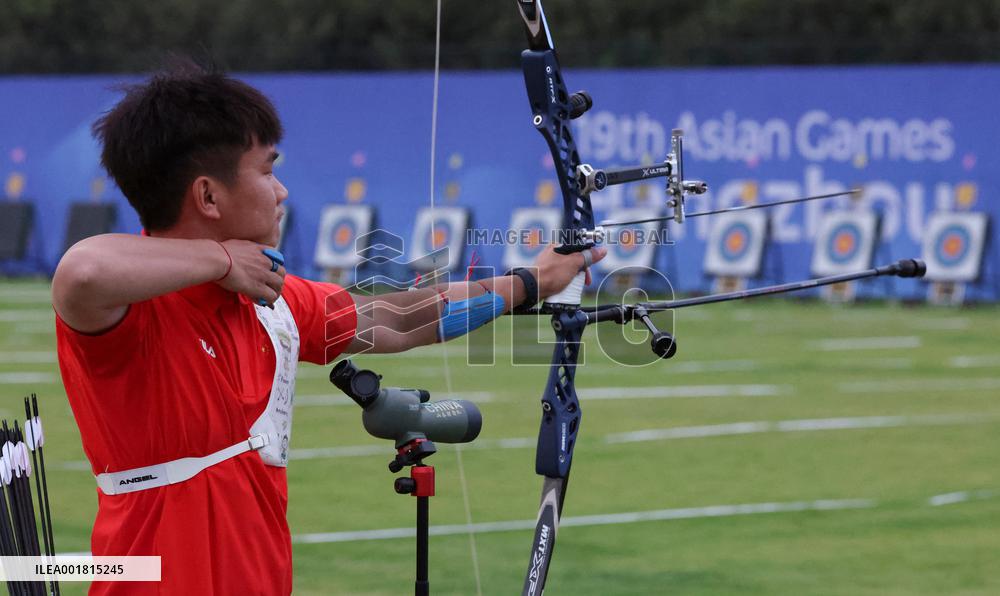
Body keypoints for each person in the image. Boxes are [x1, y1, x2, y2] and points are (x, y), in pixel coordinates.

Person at [52, 60, 604, 595]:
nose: (282, 191)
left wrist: (528, 283)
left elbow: (398, 319)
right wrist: (220, 260)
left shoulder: (272, 299)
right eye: (267, 170)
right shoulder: (135, 309)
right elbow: (81, 272)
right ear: (208, 196)